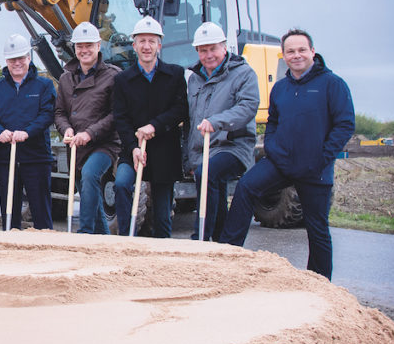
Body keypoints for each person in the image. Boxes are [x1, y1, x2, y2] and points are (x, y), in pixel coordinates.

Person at [220, 29, 354, 279]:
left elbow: (345, 125)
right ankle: (230, 254)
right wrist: (271, 146)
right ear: (284, 55)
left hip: (315, 167)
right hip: (281, 162)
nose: (296, 55)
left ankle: (319, 281)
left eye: (302, 50)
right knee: (246, 186)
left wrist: (322, 157)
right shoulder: (280, 88)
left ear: (312, 52)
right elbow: (272, 122)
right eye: (290, 51)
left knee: (317, 228)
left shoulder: (332, 84)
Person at [112, 16, 188, 237]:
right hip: (133, 150)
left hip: (165, 150)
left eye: (151, 41)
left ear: (159, 45)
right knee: (121, 185)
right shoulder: (123, 80)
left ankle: (162, 250)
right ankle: (127, 239)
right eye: (142, 41)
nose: (147, 46)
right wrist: (133, 147)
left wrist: (154, 126)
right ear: (134, 45)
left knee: (163, 213)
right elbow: (121, 118)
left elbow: (180, 109)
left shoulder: (174, 75)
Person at [186, 22, 260, 241]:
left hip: (233, 146)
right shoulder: (194, 79)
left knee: (208, 174)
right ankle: (220, 240)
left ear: (224, 48)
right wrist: (190, 159)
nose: (208, 55)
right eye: (203, 50)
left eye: (213, 49)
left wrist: (217, 121)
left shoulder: (244, 74)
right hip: (205, 148)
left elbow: (247, 108)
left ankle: (201, 238)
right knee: (210, 178)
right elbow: (191, 122)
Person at [0, 34, 56, 230]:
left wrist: (28, 132)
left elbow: (47, 114)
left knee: (41, 210)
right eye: (12, 59)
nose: (17, 63)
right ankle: (10, 246)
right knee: (9, 211)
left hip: (37, 158)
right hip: (7, 159)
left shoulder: (44, 85)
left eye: (21, 58)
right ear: (6, 61)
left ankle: (45, 245)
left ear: (29, 58)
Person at [54, 22, 121, 234]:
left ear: (99, 46)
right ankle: (104, 239)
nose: (84, 50)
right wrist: (66, 129)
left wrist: (90, 133)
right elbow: (59, 113)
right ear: (74, 49)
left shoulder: (113, 76)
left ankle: (84, 234)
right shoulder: (65, 78)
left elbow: (116, 114)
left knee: (91, 175)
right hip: (76, 147)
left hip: (104, 144)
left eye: (89, 45)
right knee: (88, 192)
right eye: (80, 46)